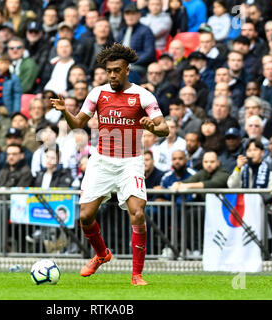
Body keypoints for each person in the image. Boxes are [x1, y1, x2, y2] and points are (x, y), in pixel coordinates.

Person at [50, 43, 169, 285]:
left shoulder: (143, 95)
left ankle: (136, 275)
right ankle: (102, 254)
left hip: (130, 162)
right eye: (108, 70)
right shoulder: (97, 93)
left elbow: (164, 129)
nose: (112, 75)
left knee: (138, 213)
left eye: (116, 70)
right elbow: (78, 125)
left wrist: (151, 126)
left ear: (127, 70)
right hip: (102, 161)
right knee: (85, 216)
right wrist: (65, 112)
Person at [117, 4, 156, 79]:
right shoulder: (122, 31)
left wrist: (131, 61)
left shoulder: (146, 31)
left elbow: (149, 53)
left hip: (139, 66)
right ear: (124, 16)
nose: (130, 17)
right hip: (124, 65)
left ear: (139, 15)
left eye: (133, 14)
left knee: (127, 74)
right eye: (127, 14)